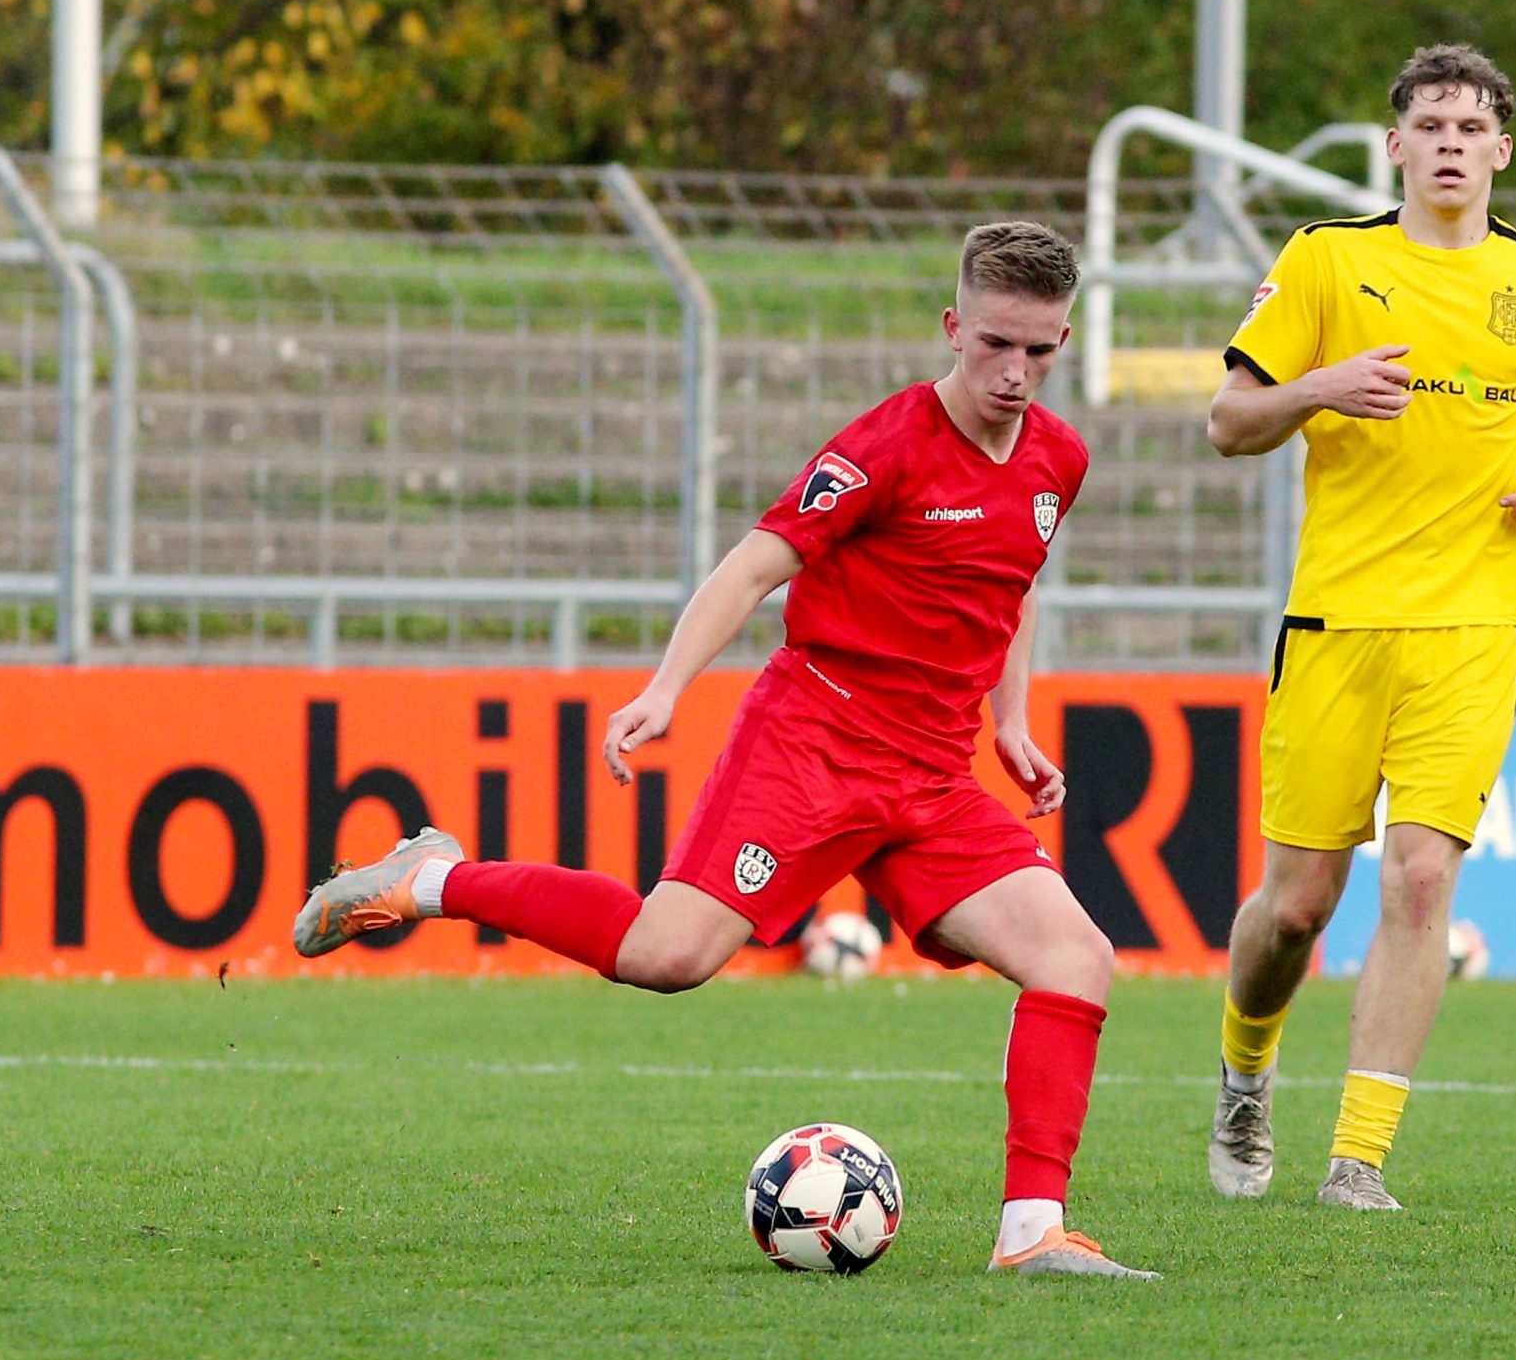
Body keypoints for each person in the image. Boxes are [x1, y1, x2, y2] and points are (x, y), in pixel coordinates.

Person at [297, 222, 1154, 1279]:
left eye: (1040, 351)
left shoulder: (1057, 460)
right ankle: (432, 876)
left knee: (1077, 957)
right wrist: (665, 689)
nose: (1016, 373)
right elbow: (752, 569)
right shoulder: (881, 448)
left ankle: (1032, 1233)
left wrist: (1011, 724)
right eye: (995, 346)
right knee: (667, 958)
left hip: (931, 773)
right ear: (952, 327)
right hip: (815, 739)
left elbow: (1011, 585)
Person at [1202, 44, 1516, 1211]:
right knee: (1295, 908)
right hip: (1338, 619)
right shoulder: (1328, 261)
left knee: (1421, 882)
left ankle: (1356, 1157)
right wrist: (1316, 391)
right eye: (1427, 123)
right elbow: (1228, 422)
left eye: (1469, 126)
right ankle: (1243, 1069)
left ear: (1499, 151)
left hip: (1477, 623)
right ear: (1393, 145)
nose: (1447, 142)